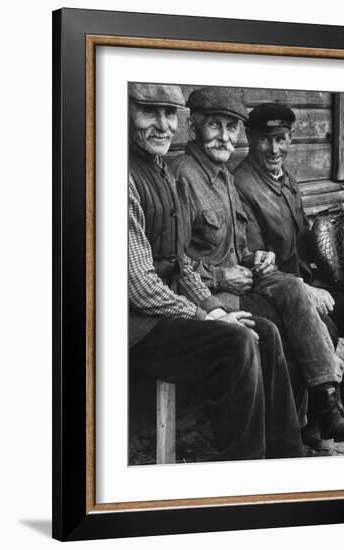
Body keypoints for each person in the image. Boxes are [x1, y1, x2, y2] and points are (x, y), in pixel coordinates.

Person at [128, 82, 311, 461]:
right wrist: (206, 314)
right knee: (238, 341)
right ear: (126, 113)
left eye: (168, 114)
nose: (162, 125)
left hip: (169, 312)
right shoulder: (123, 177)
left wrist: (216, 308)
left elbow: (180, 262)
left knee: (264, 331)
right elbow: (140, 287)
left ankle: (286, 455)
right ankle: (242, 466)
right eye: (150, 112)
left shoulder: (161, 171)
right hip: (135, 326)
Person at [173, 86, 344, 443]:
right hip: (210, 294)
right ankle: (293, 430)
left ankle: (325, 403)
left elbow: (239, 245)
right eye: (214, 125)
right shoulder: (184, 176)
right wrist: (218, 275)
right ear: (193, 129)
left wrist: (256, 257)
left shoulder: (225, 177)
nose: (224, 136)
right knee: (296, 322)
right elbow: (174, 261)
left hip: (244, 278)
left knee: (293, 289)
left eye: (231, 127)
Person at [233, 102, 344, 434]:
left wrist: (341, 219)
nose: (274, 148)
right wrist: (306, 290)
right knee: (324, 326)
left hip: (312, 285)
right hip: (280, 297)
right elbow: (253, 259)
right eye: (266, 139)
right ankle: (316, 422)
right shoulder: (241, 186)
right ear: (250, 137)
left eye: (281, 139)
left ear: (290, 139)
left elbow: (302, 236)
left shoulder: (286, 179)